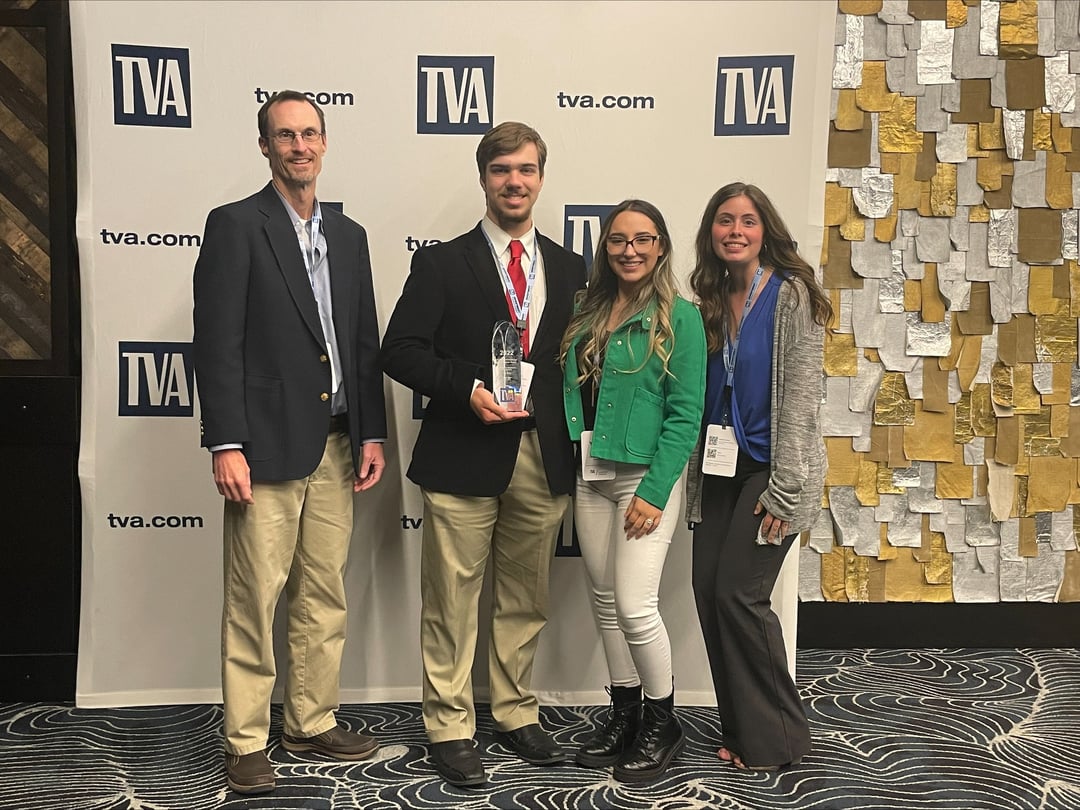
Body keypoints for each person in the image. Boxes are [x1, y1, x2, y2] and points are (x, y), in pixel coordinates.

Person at [192, 90, 387, 795]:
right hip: (265, 446)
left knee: (322, 594)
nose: (299, 146)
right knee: (254, 598)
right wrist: (227, 442)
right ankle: (245, 740)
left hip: (337, 444)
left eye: (309, 134)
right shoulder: (236, 226)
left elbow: (361, 344)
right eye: (285, 135)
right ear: (265, 146)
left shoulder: (352, 236)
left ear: (325, 143)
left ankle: (311, 720)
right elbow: (216, 345)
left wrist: (372, 431)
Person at [381, 121, 587, 787]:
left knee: (525, 599)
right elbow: (401, 349)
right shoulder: (442, 262)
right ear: (484, 179)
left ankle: (515, 711)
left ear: (541, 178)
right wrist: (467, 388)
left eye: (526, 170)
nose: (515, 182)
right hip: (464, 451)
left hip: (542, 455)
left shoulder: (570, 266)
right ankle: (449, 724)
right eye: (502, 171)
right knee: (451, 599)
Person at [686, 182, 830, 771]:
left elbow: (801, 397)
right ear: (711, 232)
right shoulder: (712, 298)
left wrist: (787, 489)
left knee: (739, 595)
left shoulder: (791, 295)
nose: (735, 231)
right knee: (707, 595)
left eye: (747, 221)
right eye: (724, 221)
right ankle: (743, 730)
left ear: (764, 230)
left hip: (774, 473)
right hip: (720, 470)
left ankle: (781, 740)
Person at [560, 200, 705, 784]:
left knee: (634, 605)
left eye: (643, 239)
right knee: (602, 599)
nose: (630, 250)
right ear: (606, 247)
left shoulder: (682, 317)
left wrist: (654, 488)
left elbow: (685, 414)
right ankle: (624, 715)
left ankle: (662, 721)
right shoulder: (584, 308)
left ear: (662, 246)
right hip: (591, 472)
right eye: (619, 240)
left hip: (644, 479)